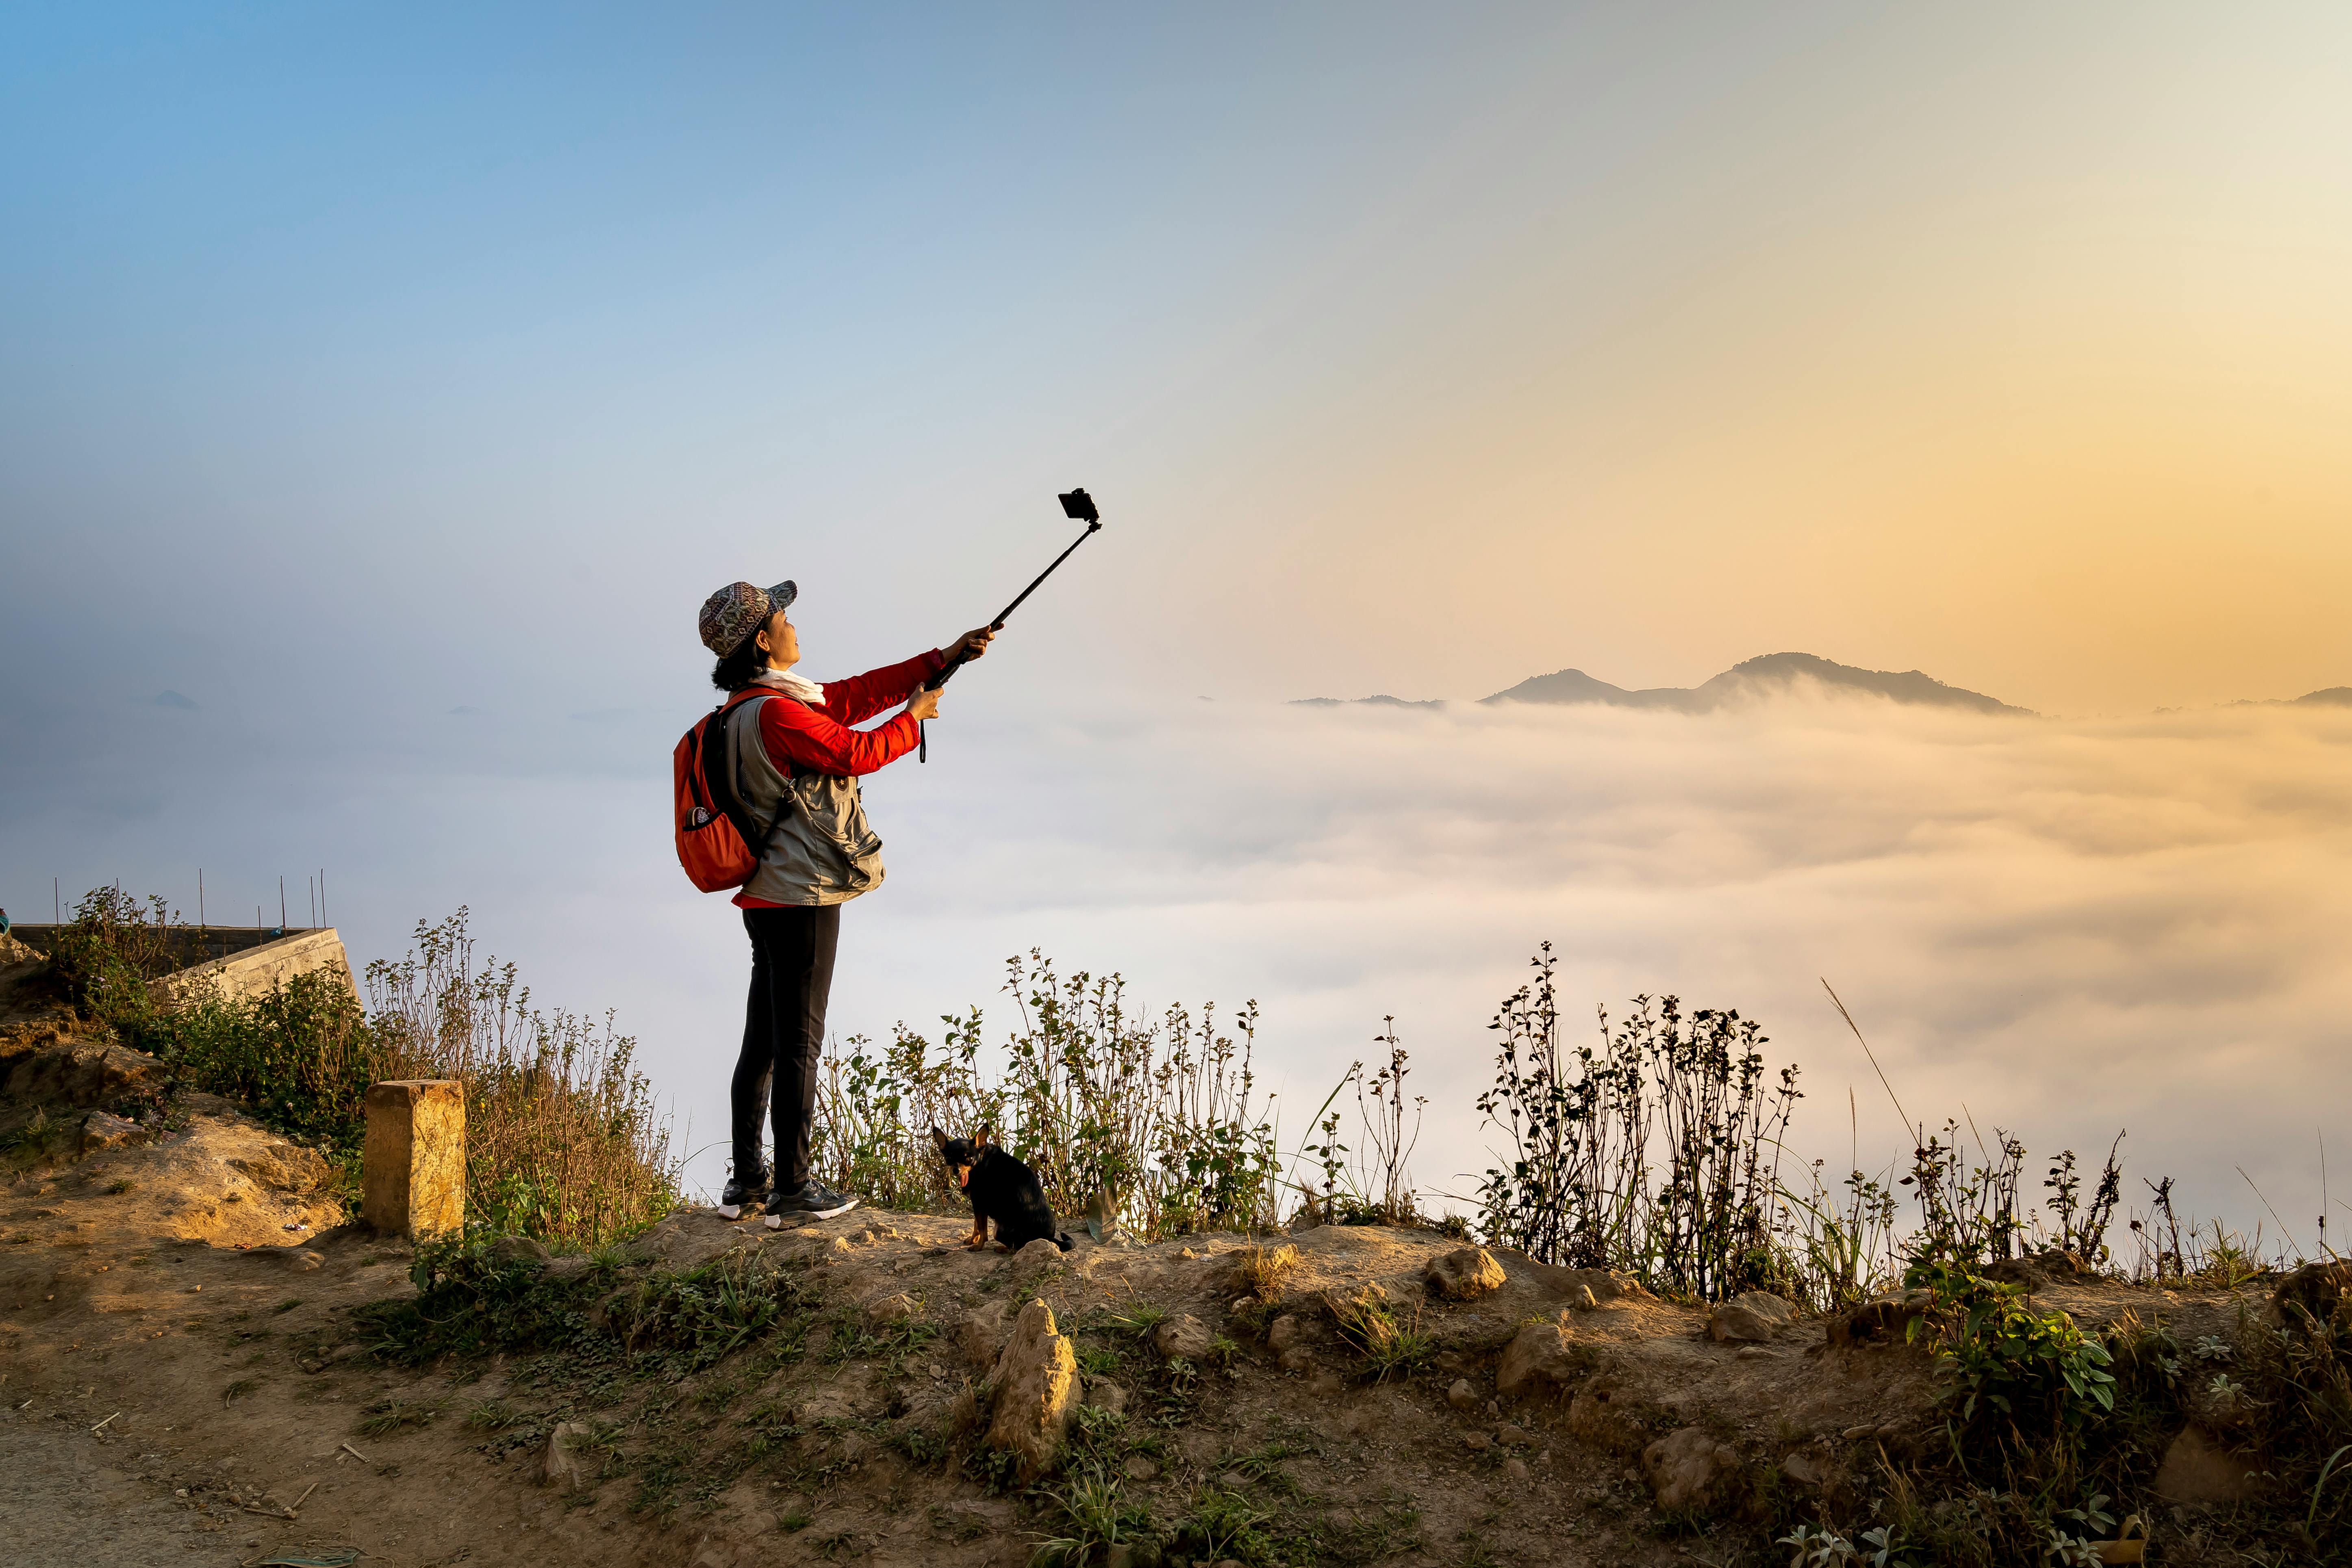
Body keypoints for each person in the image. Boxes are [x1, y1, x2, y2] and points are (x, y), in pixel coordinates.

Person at [695, 578, 995, 1222]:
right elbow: (853, 752)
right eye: (782, 617)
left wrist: (944, 657)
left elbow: (852, 696)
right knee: (799, 1043)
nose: (792, 624)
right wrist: (912, 718)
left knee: (764, 1040)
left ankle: (748, 1182)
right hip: (801, 891)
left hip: (764, 894)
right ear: (762, 641)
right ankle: (792, 1189)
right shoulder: (779, 713)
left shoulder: (749, 709)